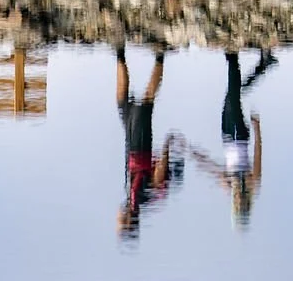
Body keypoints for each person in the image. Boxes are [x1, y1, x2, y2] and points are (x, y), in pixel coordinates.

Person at [183, 48, 274, 230]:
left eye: (237, 207)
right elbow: (258, 155)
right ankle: (232, 56)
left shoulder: (229, 186)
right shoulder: (252, 183)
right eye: (241, 207)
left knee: (233, 95)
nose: (238, 203)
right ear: (246, 206)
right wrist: (257, 128)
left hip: (226, 134)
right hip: (239, 135)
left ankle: (261, 65)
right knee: (233, 96)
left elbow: (212, 168)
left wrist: (194, 154)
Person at [114, 44, 179, 242]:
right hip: (140, 146)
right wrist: (166, 147)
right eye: (120, 222)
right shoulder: (142, 198)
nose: (117, 218)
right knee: (146, 101)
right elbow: (159, 174)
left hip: (132, 147)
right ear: (128, 221)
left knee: (122, 101)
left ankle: (120, 52)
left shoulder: (134, 200)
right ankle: (160, 56)